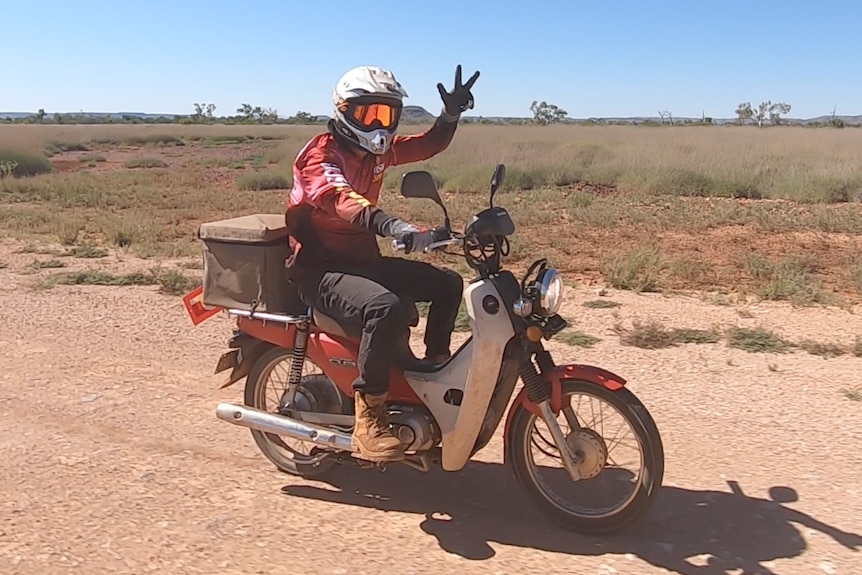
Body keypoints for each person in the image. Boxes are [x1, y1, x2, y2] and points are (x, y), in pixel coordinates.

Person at [284, 64, 480, 462]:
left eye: (386, 114)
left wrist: (450, 116)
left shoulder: (378, 154)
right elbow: (341, 199)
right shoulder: (320, 155)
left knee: (447, 284)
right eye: (368, 113)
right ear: (344, 111)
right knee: (384, 307)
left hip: (360, 260)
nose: (379, 124)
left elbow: (426, 145)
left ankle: (433, 369)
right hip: (320, 270)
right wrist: (390, 224)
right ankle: (368, 419)